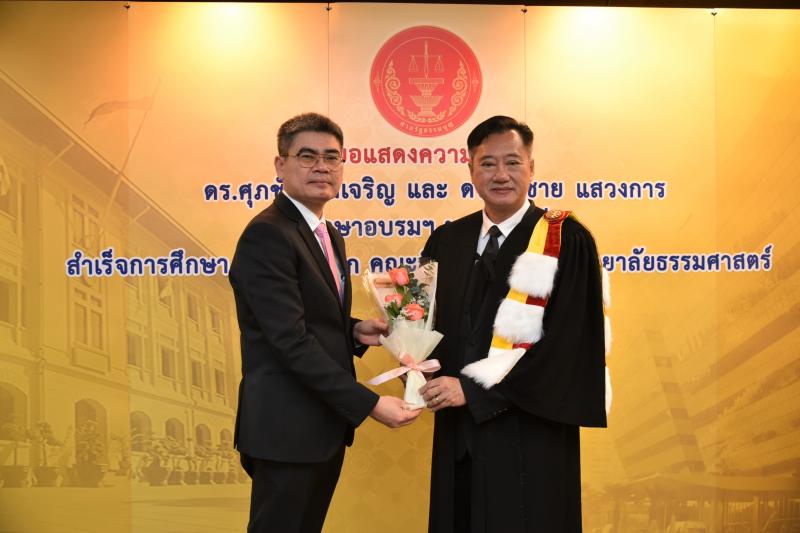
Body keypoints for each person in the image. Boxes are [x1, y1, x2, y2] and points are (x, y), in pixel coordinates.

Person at [229, 113, 420, 533]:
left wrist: (353, 331)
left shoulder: (326, 234)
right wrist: (369, 404)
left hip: (319, 428)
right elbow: (290, 340)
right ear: (281, 165)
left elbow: (307, 316)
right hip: (286, 430)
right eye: (307, 156)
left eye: (332, 157)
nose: (322, 167)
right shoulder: (268, 234)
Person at [419, 115, 609, 532]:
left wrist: (473, 390)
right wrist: (414, 361)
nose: (500, 175)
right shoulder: (447, 241)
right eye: (487, 164)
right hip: (459, 438)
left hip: (531, 437)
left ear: (531, 167)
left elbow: (569, 345)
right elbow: (429, 326)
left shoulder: (565, 240)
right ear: (470, 169)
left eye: (512, 162)